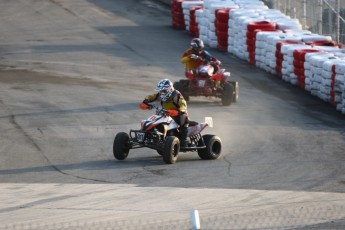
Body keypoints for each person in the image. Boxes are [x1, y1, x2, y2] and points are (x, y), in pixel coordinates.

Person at [140, 79, 189, 147]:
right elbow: (151, 97)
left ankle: (183, 141)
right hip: (165, 113)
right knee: (155, 121)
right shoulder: (160, 95)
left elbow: (183, 104)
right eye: (160, 91)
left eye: (163, 91)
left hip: (178, 114)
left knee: (184, 122)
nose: (161, 93)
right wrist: (146, 100)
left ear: (170, 89)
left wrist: (179, 110)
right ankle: (150, 135)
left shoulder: (177, 95)